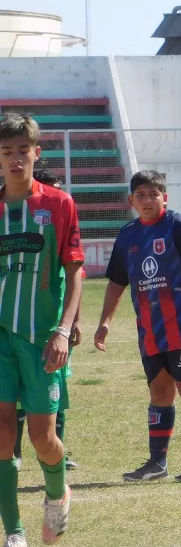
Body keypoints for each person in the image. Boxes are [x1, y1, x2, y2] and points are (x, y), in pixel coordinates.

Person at [94, 170, 181, 482]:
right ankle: (157, 463)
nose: (148, 200)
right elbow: (116, 283)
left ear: (165, 197)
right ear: (131, 201)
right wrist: (104, 323)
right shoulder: (127, 236)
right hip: (150, 333)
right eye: (141, 195)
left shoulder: (178, 225)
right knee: (160, 391)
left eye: (154, 194)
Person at [0, 115, 83, 547]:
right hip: (0, 339)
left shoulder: (59, 204)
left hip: (40, 337)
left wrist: (63, 330)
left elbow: (74, 273)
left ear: (37, 152)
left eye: (22, 150)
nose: (15, 159)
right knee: (1, 434)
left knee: (42, 436)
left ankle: (57, 493)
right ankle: (14, 534)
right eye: (6, 151)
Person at [12, 160, 80, 471]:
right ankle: (15, 452)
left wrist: (71, 324)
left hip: (52, 326)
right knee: (16, 402)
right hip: (19, 329)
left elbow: (73, 276)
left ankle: (58, 455)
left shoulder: (60, 218)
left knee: (56, 393)